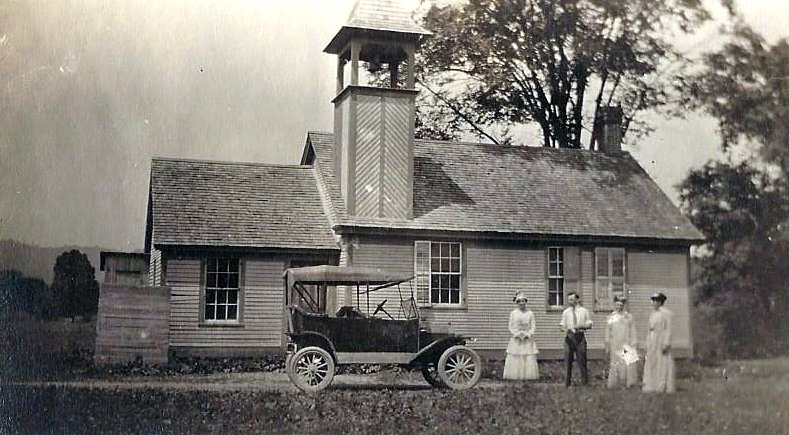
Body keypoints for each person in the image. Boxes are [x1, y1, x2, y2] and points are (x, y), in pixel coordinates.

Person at [642, 292, 675, 393]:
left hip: (661, 339)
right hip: (653, 340)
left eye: (656, 301)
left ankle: (662, 385)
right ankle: (651, 385)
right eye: (653, 301)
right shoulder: (653, 314)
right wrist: (647, 342)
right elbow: (649, 329)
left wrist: (666, 343)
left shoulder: (666, 314)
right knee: (652, 361)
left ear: (661, 302)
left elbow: (668, 329)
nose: (654, 303)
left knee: (662, 362)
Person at [503, 291, 539, 380]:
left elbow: (533, 326)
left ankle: (527, 375)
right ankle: (515, 375)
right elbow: (510, 326)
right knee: (516, 355)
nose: (521, 303)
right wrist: (516, 334)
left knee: (527, 356)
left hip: (527, 338)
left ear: (525, 302)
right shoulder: (513, 313)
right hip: (516, 338)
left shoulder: (530, 313)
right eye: (519, 301)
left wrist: (528, 334)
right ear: (517, 303)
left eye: (523, 301)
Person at [604, 296, 638, 388]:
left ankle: (627, 382)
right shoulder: (611, 317)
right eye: (618, 305)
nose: (619, 307)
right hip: (615, 343)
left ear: (624, 306)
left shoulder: (628, 317)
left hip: (626, 342)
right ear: (615, 305)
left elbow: (633, 331)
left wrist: (634, 342)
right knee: (615, 362)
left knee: (626, 362)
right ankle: (615, 382)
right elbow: (608, 332)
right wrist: (607, 344)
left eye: (621, 305)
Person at [560, 292, 592, 386]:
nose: (569, 302)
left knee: (582, 361)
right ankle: (567, 384)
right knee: (567, 361)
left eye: (571, 299)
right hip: (569, 337)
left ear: (577, 300)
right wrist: (563, 328)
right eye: (568, 300)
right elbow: (562, 325)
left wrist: (580, 326)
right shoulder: (566, 312)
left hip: (580, 337)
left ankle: (585, 384)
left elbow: (589, 325)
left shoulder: (584, 311)